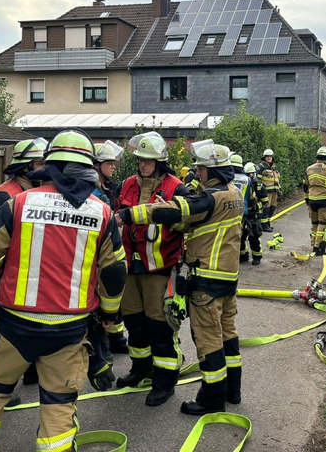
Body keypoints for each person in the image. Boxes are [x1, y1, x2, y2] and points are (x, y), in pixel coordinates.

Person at [0, 129, 126, 452]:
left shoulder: (19, 203)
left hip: (13, 326)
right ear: (88, 168)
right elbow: (115, 271)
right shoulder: (102, 212)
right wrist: (109, 314)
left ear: (49, 165)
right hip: (69, 330)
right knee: (59, 407)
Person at [117, 139, 244, 415]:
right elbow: (192, 221)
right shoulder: (234, 193)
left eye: (201, 169)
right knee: (227, 337)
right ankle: (232, 391)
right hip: (225, 278)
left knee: (207, 341)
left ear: (213, 170)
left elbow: (172, 212)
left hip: (205, 280)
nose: (198, 173)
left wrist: (126, 214)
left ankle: (211, 398)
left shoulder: (208, 197)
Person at [114, 131, 189, 406]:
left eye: (148, 160)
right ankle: (140, 369)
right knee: (134, 324)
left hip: (160, 268)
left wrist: (168, 215)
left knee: (160, 327)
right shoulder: (126, 185)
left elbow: (186, 224)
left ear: (160, 162)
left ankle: (165, 381)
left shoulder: (176, 188)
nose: (143, 164)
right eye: (140, 160)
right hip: (130, 267)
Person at [0, 138, 47, 394]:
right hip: (0, 279)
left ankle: (30, 372)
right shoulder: (5, 195)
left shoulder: (34, 193)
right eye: (41, 163)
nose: (46, 168)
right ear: (26, 167)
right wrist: (8, 267)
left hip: (23, 277)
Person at [93, 141, 129, 355]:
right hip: (97, 256)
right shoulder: (92, 192)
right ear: (96, 165)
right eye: (109, 163)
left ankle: (115, 338)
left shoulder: (103, 189)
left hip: (104, 252)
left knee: (112, 296)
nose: (114, 166)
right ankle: (103, 345)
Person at [230, 154, 262, 265]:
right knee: (253, 235)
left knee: (238, 237)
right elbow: (252, 199)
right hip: (247, 212)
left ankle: (243, 256)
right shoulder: (247, 180)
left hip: (232, 213)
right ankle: (256, 258)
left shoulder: (227, 179)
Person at [243, 161, 268, 264]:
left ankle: (257, 257)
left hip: (253, 215)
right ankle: (243, 256)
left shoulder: (260, 186)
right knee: (241, 237)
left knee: (254, 237)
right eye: (249, 174)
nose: (252, 176)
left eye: (253, 174)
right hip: (243, 215)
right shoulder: (244, 185)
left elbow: (265, 202)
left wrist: (256, 207)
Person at [257, 148, 281, 232]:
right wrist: (260, 192)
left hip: (275, 192)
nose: (269, 158)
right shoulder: (261, 167)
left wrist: (280, 190)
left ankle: (268, 223)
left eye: (270, 156)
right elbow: (258, 180)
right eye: (267, 156)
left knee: (272, 209)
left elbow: (277, 180)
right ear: (264, 157)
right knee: (266, 209)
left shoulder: (274, 168)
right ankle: (264, 225)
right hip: (266, 193)